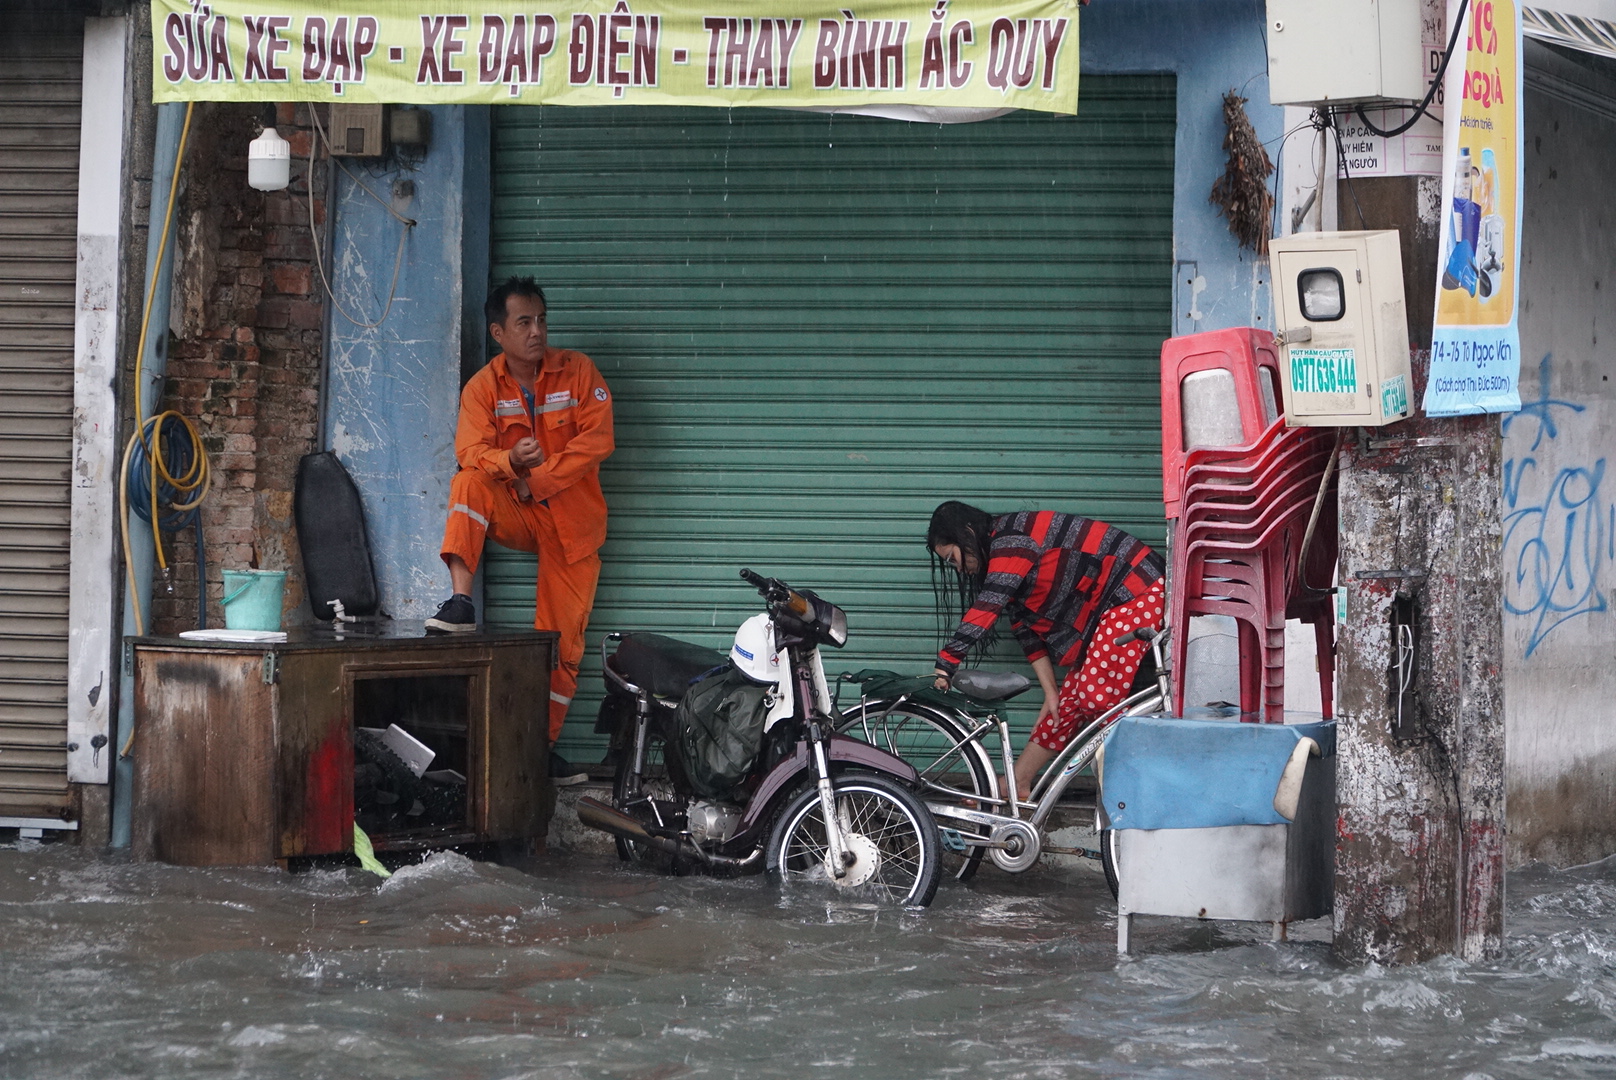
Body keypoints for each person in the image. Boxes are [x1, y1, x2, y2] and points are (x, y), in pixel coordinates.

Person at [426, 277, 614, 786]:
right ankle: (460, 604)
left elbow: (598, 440)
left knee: (562, 644)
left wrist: (542, 478)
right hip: (520, 511)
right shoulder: (483, 388)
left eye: (542, 320)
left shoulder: (578, 372)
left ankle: (539, 748)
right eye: (524, 323)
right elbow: (470, 452)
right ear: (497, 332)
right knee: (467, 483)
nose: (537, 332)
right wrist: (509, 462)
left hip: (573, 524)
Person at [926, 501, 1164, 802]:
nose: (957, 568)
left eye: (952, 558)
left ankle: (1145, 784)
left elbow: (989, 605)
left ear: (968, 533)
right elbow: (1027, 632)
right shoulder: (1003, 560)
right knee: (1060, 710)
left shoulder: (1012, 540)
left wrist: (946, 664)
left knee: (1095, 695)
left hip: (1140, 588)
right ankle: (1017, 783)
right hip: (1113, 608)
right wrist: (1051, 692)